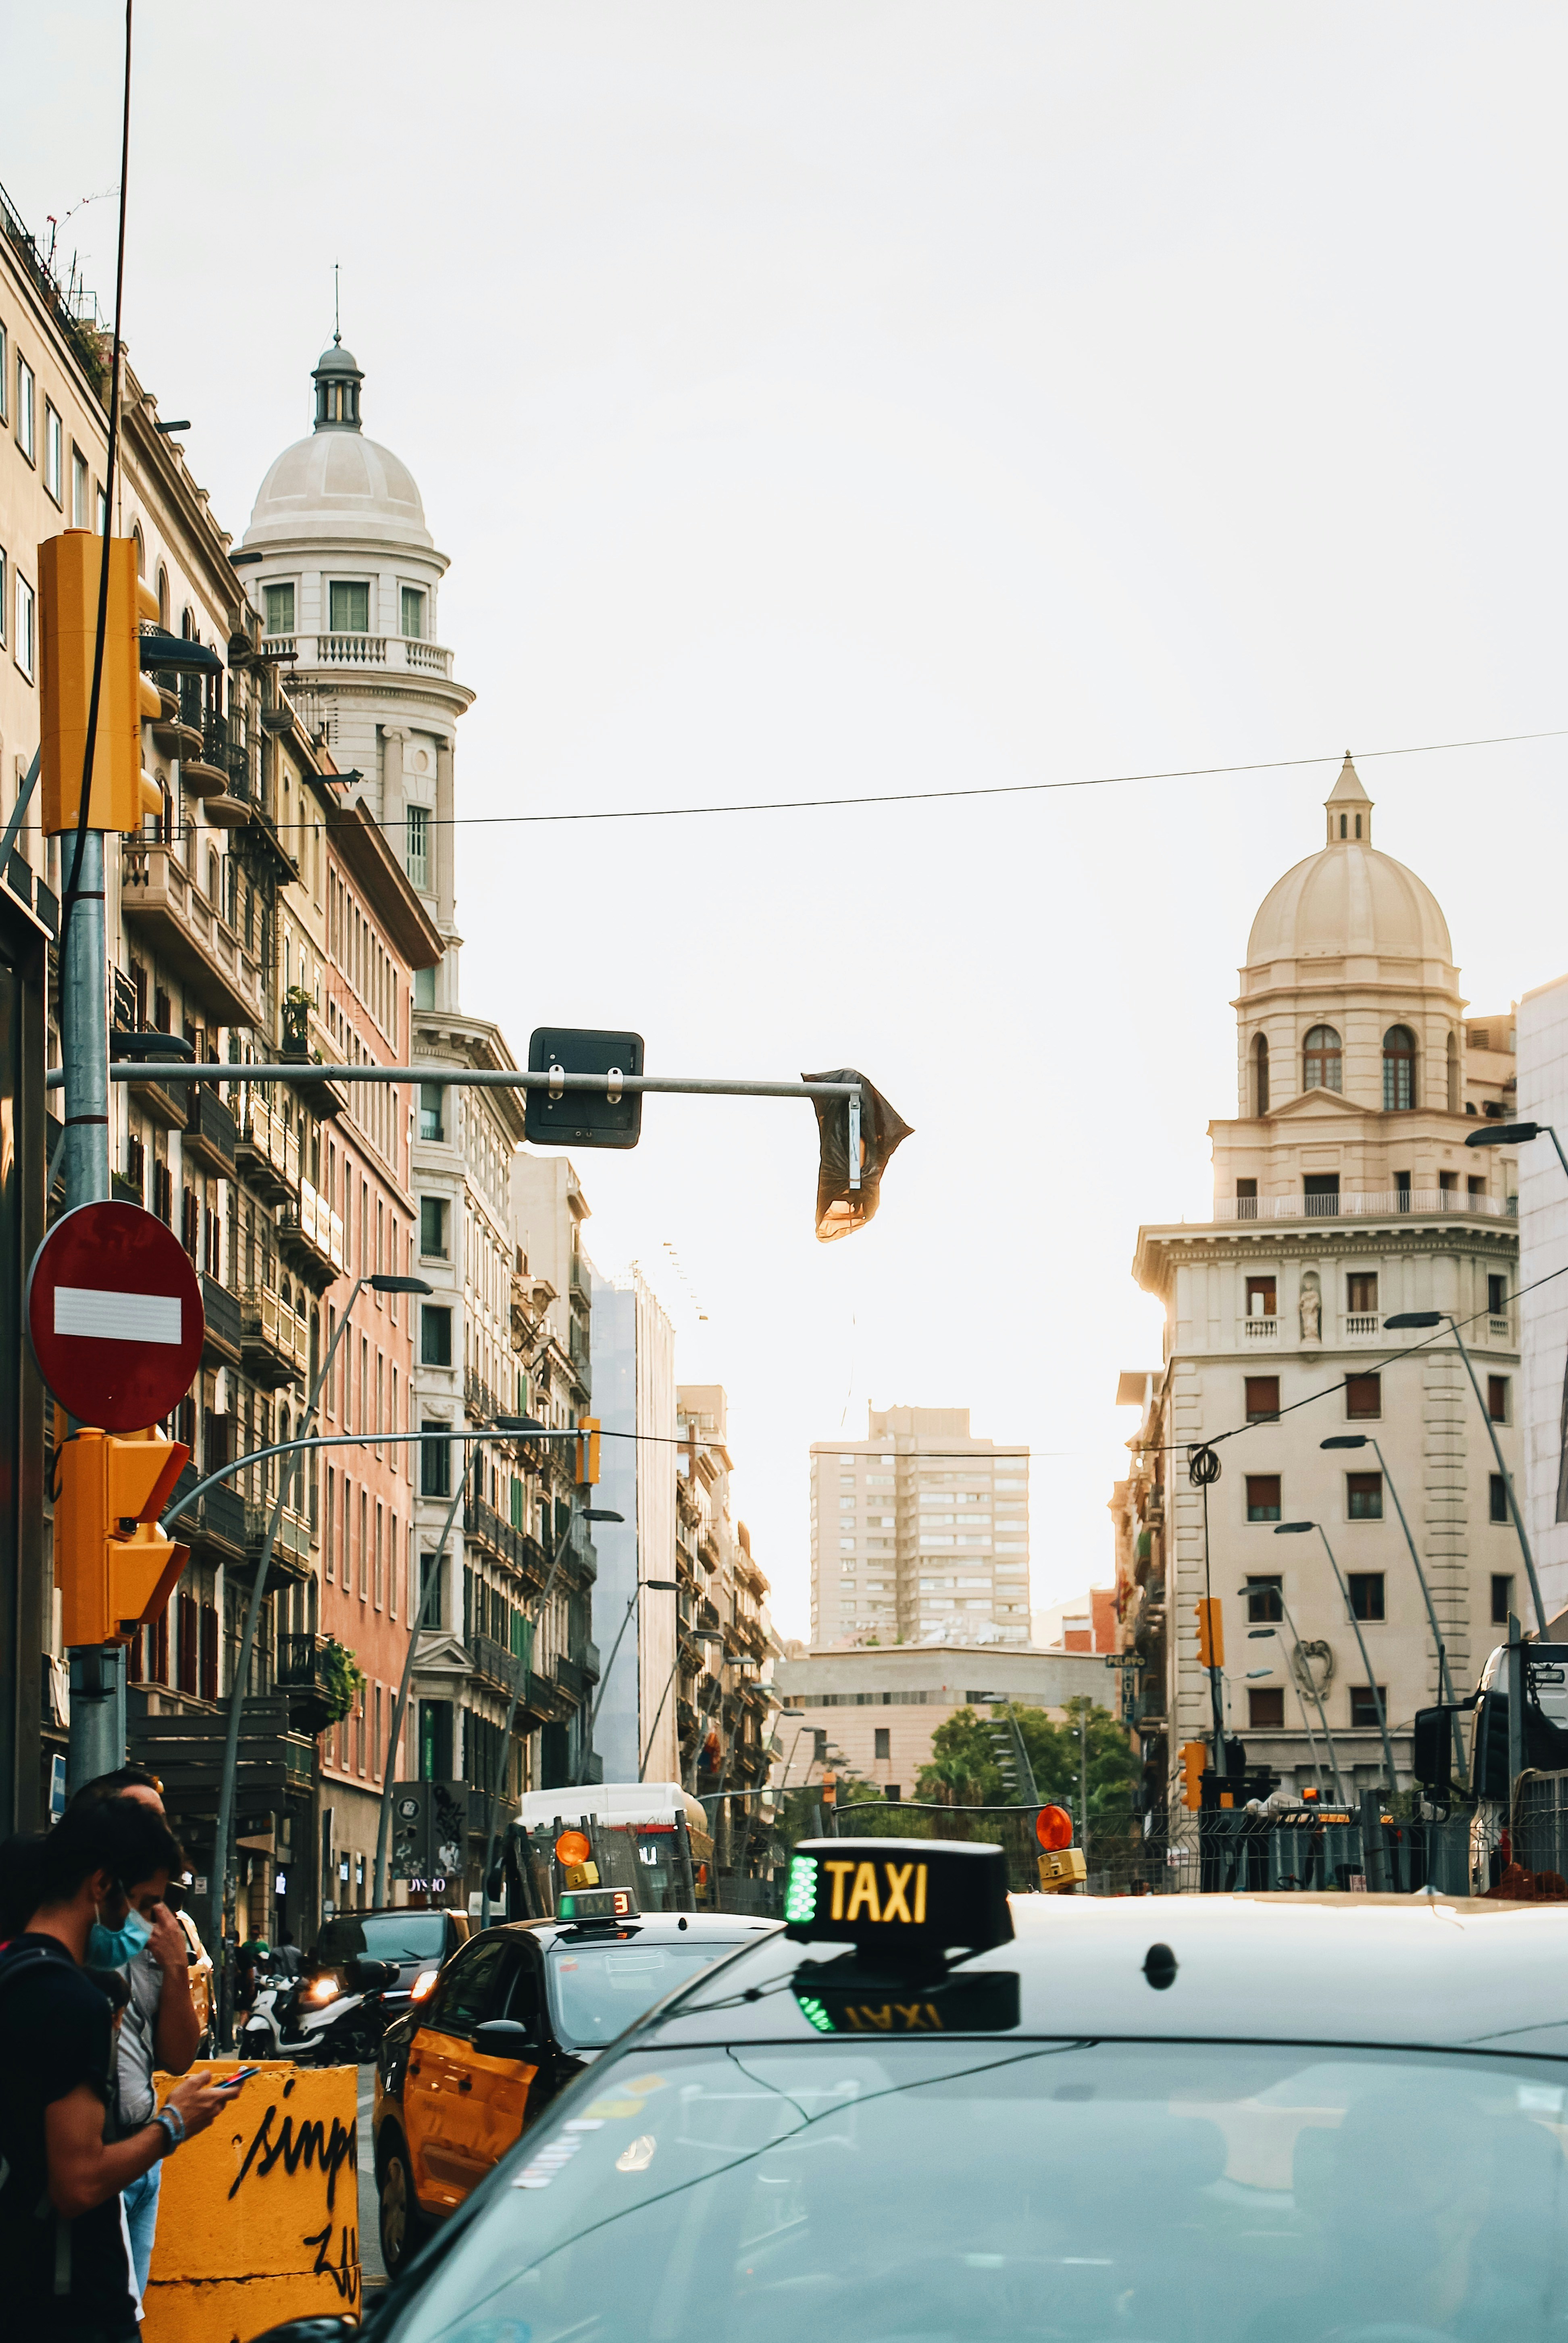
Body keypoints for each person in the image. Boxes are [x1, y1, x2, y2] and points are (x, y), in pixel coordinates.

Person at [0, 1799, 240, 2343]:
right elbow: (77, 2183)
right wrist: (175, 2124)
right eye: (144, 1903)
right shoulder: (72, 2001)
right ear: (102, 1885)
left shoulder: (14, 1973)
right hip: (69, 2307)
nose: (151, 1923)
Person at [68, 1768, 204, 2293]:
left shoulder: (165, 1924)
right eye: (141, 1820)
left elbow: (178, 2055)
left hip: (142, 2155)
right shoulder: (64, 1924)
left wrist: (174, 1965)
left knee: (129, 2306)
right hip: (93, 2157)